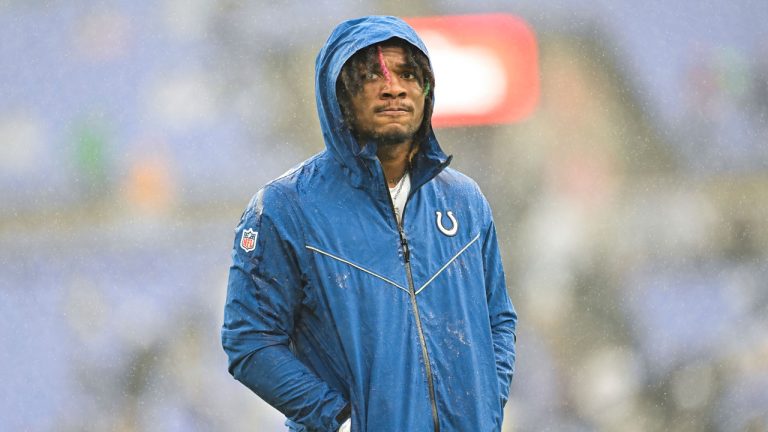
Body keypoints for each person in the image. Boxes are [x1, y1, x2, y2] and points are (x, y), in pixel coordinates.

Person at [222, 15, 517, 432]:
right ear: (339, 97)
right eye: (369, 76)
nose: (393, 86)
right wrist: (339, 420)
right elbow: (249, 340)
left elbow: (499, 320)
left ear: (426, 91)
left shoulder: (464, 201)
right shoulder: (285, 208)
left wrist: (487, 400)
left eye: (408, 74)